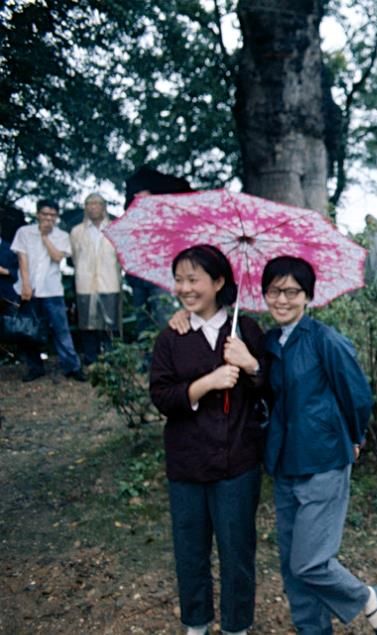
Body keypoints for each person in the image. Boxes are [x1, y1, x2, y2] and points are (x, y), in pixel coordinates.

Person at [248, 255, 377, 635]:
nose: (282, 299)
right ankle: (312, 629)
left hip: (324, 459)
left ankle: (366, 597)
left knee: (310, 561)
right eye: (274, 291)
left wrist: (355, 436)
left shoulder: (325, 340)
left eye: (292, 291)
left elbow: (357, 395)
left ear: (308, 295)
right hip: (284, 462)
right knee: (291, 564)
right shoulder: (268, 342)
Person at [149, 245, 265, 635]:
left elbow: (272, 389)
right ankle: (196, 623)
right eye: (179, 279)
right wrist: (206, 383)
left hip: (238, 463)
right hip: (187, 462)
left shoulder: (245, 330)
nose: (184, 288)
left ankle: (236, 626)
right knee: (190, 550)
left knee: (237, 552)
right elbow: (162, 396)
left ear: (218, 282)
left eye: (193, 279)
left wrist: (250, 364)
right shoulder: (172, 336)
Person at [11, 199, 85, 382]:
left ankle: (72, 367)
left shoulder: (61, 235)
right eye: (45, 214)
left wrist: (45, 237)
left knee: (61, 330)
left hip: (52, 290)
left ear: (57, 217)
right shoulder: (24, 232)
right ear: (37, 214)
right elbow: (22, 259)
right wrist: (26, 285)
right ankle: (34, 367)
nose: (48, 219)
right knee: (29, 329)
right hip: (28, 289)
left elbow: (57, 257)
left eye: (52, 215)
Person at [125, 166, 192, 335]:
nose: (138, 197)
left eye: (142, 194)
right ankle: (148, 358)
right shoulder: (130, 220)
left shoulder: (166, 217)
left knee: (166, 318)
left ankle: (172, 356)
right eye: (136, 195)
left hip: (160, 275)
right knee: (143, 322)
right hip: (138, 277)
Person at [70, 193, 123, 365]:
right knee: (87, 322)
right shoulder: (77, 231)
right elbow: (74, 257)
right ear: (85, 207)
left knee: (110, 322)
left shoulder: (115, 229)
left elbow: (120, 257)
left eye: (96, 203)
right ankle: (91, 358)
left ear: (104, 206)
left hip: (109, 281)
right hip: (85, 282)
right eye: (89, 204)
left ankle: (111, 357)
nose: (93, 207)